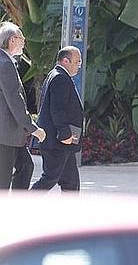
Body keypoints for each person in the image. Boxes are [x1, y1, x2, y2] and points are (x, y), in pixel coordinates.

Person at [0, 22, 46, 189]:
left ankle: (17, 207)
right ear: (12, 40)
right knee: (3, 181)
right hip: (5, 135)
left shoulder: (5, 61)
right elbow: (15, 100)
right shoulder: (4, 64)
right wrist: (33, 128)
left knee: (26, 166)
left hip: (10, 134)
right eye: (21, 38)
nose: (24, 42)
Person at [31, 46, 84, 192]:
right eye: (77, 62)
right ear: (66, 61)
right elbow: (57, 109)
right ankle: (24, 205)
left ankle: (69, 212)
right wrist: (65, 134)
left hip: (61, 142)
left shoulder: (56, 75)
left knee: (71, 183)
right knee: (49, 178)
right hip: (58, 141)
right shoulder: (60, 77)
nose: (79, 66)